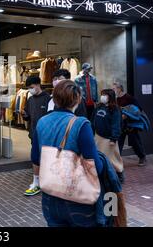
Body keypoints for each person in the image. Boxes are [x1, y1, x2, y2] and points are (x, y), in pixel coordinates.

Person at [31, 80, 103, 227]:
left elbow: (35, 158)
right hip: (77, 198)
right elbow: (96, 165)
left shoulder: (42, 121)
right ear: (77, 99)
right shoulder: (81, 124)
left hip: (50, 196)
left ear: (55, 99)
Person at [21, 76, 51, 196]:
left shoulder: (48, 99)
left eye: (32, 87)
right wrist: (24, 115)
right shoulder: (30, 99)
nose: (30, 90)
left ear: (38, 85)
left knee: (46, 158)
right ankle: (36, 181)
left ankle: (46, 180)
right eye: (28, 88)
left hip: (46, 135)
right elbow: (28, 116)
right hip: (34, 134)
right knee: (35, 158)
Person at [92, 89, 124, 183]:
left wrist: (113, 138)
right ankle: (102, 176)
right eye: (102, 94)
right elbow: (93, 120)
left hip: (109, 138)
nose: (103, 96)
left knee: (113, 157)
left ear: (110, 96)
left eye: (105, 95)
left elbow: (116, 124)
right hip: (98, 136)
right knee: (100, 157)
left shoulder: (115, 109)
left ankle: (119, 173)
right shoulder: (99, 107)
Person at [112, 82, 147, 166]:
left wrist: (127, 115)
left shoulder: (129, 98)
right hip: (122, 124)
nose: (113, 90)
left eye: (114, 89)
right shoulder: (116, 99)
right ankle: (117, 160)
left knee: (135, 142)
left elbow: (138, 109)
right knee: (119, 142)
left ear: (119, 89)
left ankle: (142, 157)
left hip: (131, 124)